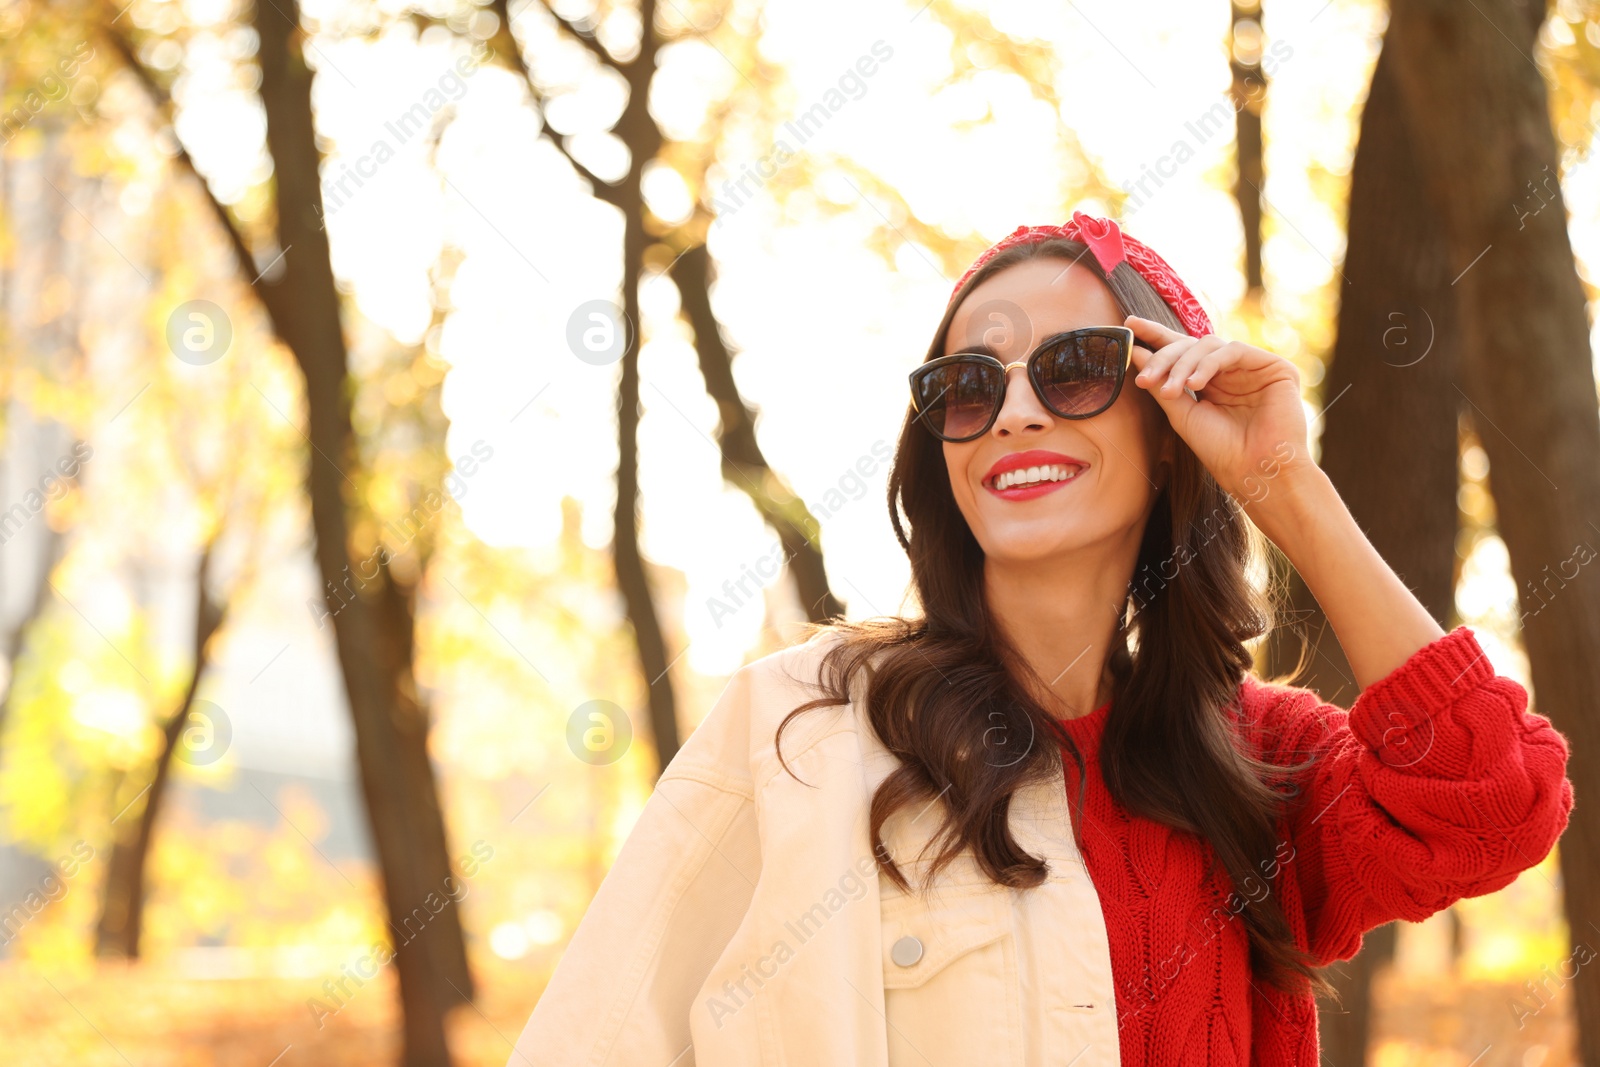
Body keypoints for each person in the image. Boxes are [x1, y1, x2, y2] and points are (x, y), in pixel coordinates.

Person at [507, 209, 1574, 1066]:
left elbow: (1496, 799)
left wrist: (1282, 485)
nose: (1014, 412)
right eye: (968, 386)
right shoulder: (801, 727)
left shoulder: (1261, 763)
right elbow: (596, 1038)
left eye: (1071, 369)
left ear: (1167, 428)